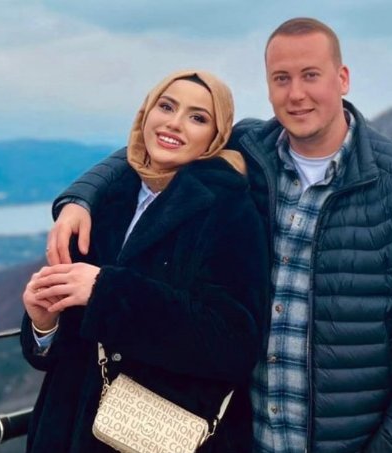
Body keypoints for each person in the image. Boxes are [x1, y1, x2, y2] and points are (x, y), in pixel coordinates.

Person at [47, 17, 392, 453]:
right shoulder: (248, 151)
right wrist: (80, 199)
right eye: (281, 78)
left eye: (311, 75)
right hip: (241, 438)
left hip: (348, 441)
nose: (296, 94)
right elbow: (151, 148)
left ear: (343, 78)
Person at [20, 70, 269, 453]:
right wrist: (44, 324)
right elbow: (65, 350)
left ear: (215, 137)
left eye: (197, 117)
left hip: (155, 436)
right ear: (146, 113)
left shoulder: (229, 211)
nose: (175, 122)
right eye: (166, 106)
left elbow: (232, 343)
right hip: (65, 431)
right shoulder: (105, 201)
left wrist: (107, 291)